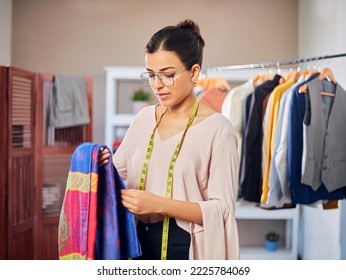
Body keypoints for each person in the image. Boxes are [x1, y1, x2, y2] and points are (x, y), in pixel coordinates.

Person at [99, 19, 239, 260]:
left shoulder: (219, 130)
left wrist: (159, 204)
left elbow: (222, 209)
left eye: (168, 75)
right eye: (151, 75)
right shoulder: (144, 119)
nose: (157, 85)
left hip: (182, 246)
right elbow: (117, 176)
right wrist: (99, 164)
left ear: (194, 72)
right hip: (133, 241)